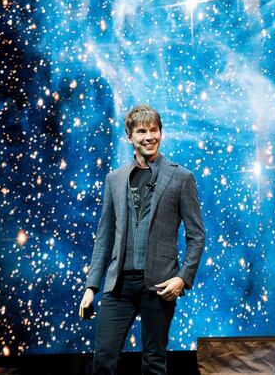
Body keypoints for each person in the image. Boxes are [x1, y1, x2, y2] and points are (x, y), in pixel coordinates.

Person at [80, 105, 205, 375]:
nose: (149, 137)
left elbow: (196, 236)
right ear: (130, 137)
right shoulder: (114, 179)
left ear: (160, 133)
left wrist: (182, 278)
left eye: (154, 130)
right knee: (103, 359)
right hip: (119, 286)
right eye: (141, 131)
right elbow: (104, 237)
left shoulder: (181, 177)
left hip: (160, 285)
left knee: (154, 362)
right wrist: (91, 287)